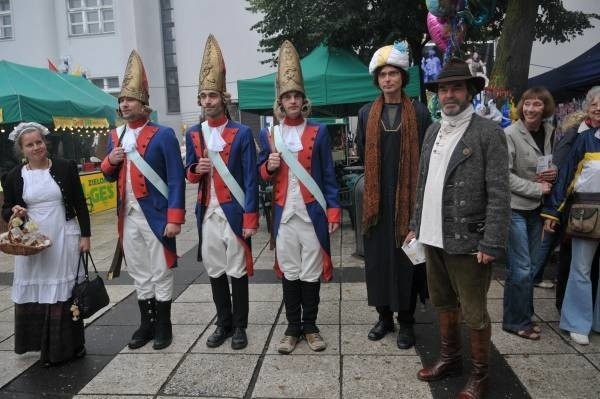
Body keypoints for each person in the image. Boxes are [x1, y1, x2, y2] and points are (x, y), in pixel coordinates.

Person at [409, 58, 510, 399]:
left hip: (469, 240)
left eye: (456, 88)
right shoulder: (433, 131)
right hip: (432, 235)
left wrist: (492, 240)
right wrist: (415, 226)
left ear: (469, 92)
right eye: (443, 89)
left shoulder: (489, 133)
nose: (448, 95)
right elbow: (423, 184)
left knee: (474, 312)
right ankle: (450, 359)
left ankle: (480, 376)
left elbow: (499, 192)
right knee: (442, 302)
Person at [257, 40, 341, 354]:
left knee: (311, 270)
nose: (292, 101)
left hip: (312, 212)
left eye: (296, 96)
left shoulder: (319, 132)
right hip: (283, 213)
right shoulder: (269, 134)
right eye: (287, 96)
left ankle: (311, 327)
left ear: (303, 101)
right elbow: (260, 174)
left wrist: (333, 211)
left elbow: (329, 176)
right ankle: (292, 327)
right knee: (290, 270)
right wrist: (268, 165)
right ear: (280, 102)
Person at [101, 50, 186, 351]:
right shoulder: (116, 136)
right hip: (129, 216)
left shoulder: (163, 135)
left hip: (157, 215)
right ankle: (146, 324)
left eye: (130, 99)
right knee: (138, 271)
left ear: (144, 104)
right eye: (121, 100)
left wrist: (175, 217)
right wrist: (110, 161)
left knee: (160, 269)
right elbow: (109, 174)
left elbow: (176, 178)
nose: (124, 104)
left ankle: (164, 326)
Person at [356, 41, 432, 350]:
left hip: (408, 201)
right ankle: (384, 317)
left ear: (403, 77)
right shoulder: (365, 113)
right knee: (377, 263)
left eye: (393, 73)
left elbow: (426, 159)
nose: (388, 79)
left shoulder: (419, 112)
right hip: (377, 205)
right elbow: (362, 151)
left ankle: (407, 323)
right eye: (383, 74)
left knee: (406, 263)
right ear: (378, 80)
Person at [185, 35, 258, 350]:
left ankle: (240, 326)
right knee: (215, 270)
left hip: (235, 212)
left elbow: (252, 178)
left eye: (212, 95)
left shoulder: (241, 133)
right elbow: (188, 172)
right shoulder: (193, 134)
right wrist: (195, 171)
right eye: (203, 96)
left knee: (237, 271)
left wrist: (251, 216)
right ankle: (223, 323)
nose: (207, 101)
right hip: (207, 213)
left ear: (223, 98)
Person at [1, 122, 91, 366]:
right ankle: (42, 344)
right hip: (33, 240)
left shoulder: (65, 167)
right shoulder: (13, 176)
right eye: (29, 145)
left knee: (64, 290)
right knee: (39, 287)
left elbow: (80, 203)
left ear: (45, 142)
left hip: (63, 233)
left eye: (39, 142)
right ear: (22, 150)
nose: (36, 147)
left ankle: (69, 346)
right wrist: (15, 212)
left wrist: (85, 236)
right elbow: (7, 209)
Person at [533, 87, 600, 307]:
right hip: (576, 209)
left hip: (579, 208)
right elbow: (563, 171)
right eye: (594, 104)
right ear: (587, 109)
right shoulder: (579, 135)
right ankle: (565, 308)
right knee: (570, 260)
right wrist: (553, 211)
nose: (598, 109)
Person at [502, 87, 556, 341]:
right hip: (515, 207)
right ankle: (515, 321)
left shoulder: (549, 132)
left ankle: (523, 314)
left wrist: (552, 173)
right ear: (521, 107)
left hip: (537, 208)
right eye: (527, 104)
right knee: (521, 268)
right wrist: (537, 187)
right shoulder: (510, 134)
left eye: (537, 104)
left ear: (545, 107)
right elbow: (504, 177)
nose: (531, 109)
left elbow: (550, 162)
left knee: (530, 268)